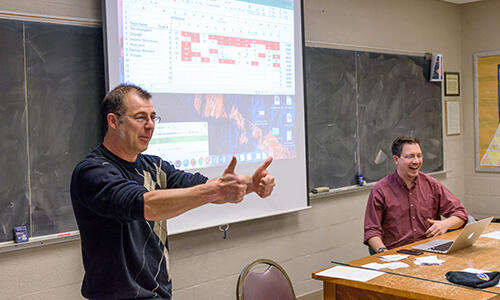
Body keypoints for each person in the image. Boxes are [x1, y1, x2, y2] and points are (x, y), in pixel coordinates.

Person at [70, 84, 275, 299]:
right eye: (140, 117)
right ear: (113, 121)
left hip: (159, 294)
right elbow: (145, 205)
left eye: (153, 117)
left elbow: (203, 184)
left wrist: (252, 183)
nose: (150, 126)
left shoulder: (154, 166)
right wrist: (213, 191)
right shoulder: (92, 171)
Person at [363, 136, 468, 253]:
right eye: (410, 156)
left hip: (431, 252)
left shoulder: (432, 184)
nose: (416, 161)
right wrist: (383, 252)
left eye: (419, 156)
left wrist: (445, 224)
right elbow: (371, 231)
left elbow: (461, 214)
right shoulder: (380, 190)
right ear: (396, 160)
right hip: (398, 254)